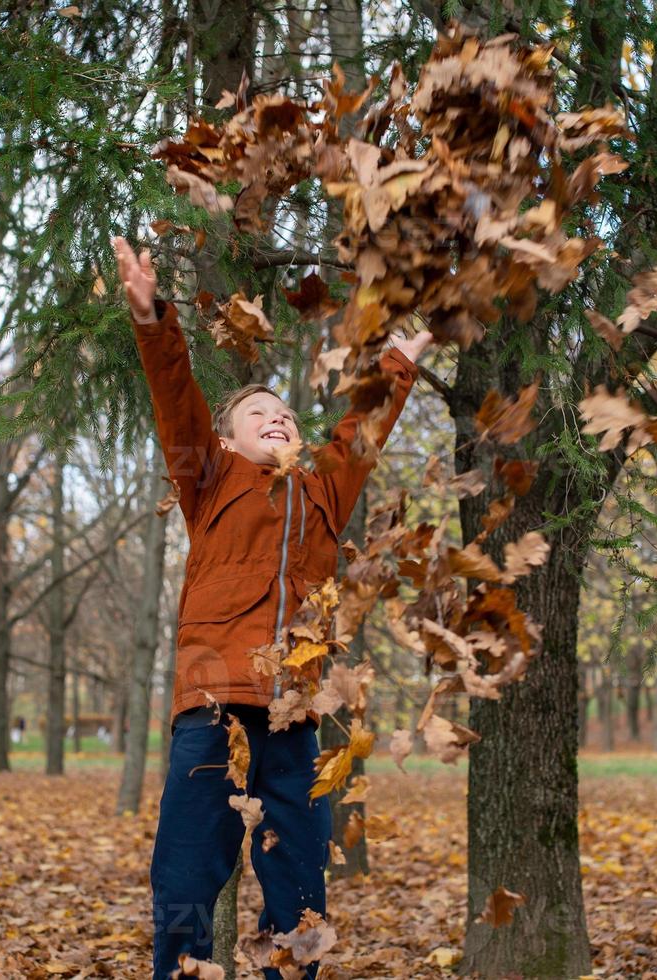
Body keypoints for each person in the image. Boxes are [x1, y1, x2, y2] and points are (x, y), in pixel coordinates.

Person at [113, 236, 429, 980]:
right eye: (258, 413)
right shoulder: (208, 476)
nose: (277, 419)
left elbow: (363, 428)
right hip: (214, 704)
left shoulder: (323, 488)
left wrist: (400, 364)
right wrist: (150, 316)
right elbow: (175, 398)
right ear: (226, 438)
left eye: (284, 413)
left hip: (295, 717)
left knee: (298, 902)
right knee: (187, 881)